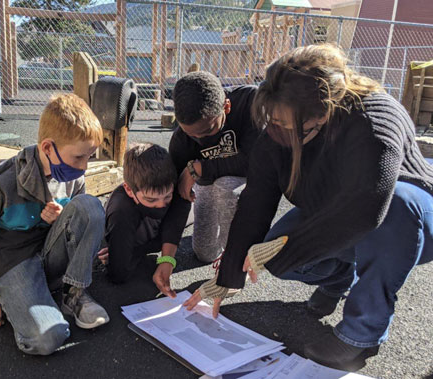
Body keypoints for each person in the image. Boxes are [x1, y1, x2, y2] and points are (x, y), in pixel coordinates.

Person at [184, 44, 433, 369]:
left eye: (286, 125)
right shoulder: (276, 131)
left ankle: (361, 334)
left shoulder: (375, 120)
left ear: (325, 112)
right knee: (280, 258)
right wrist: (229, 275)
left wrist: (290, 247)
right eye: (271, 121)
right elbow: (254, 204)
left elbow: (366, 208)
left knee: (394, 208)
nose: (275, 132)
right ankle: (339, 279)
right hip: (337, 215)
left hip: (409, 222)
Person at [0, 94, 108, 356]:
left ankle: (74, 294)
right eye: (78, 158)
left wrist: (58, 220)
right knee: (47, 339)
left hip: (49, 254)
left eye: (90, 157)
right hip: (13, 261)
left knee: (89, 206)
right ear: (48, 147)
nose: (84, 167)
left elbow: (77, 225)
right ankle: (30, 299)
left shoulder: (72, 176)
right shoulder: (0, 183)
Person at [169, 71, 260, 262]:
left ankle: (236, 257)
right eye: (191, 134)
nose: (200, 138)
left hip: (246, 181)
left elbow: (258, 161)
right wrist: (167, 258)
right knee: (205, 254)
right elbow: (178, 197)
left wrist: (199, 168)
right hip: (207, 183)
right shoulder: (180, 140)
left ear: (226, 107)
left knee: (226, 187)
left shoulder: (250, 102)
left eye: (208, 130)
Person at [99, 143, 188, 298]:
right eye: (151, 200)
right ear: (129, 190)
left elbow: (176, 219)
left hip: (146, 235)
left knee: (186, 196)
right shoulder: (121, 212)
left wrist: (167, 260)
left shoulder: (174, 190)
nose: (160, 205)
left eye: (167, 197)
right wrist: (119, 254)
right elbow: (118, 274)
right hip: (129, 226)